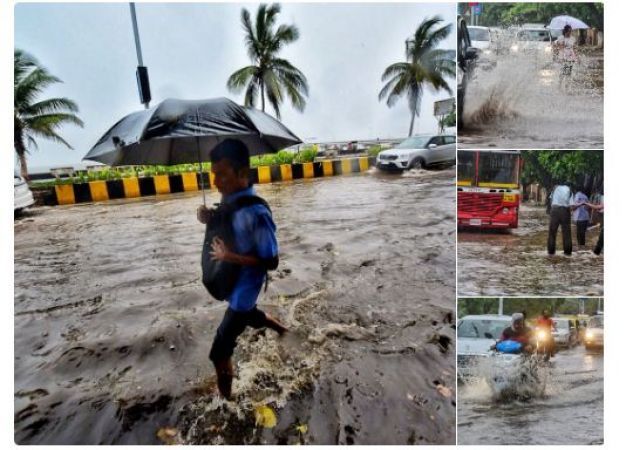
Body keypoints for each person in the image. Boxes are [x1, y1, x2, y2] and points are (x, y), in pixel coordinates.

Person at [197, 139, 288, 400]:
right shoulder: (230, 203)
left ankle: (228, 404)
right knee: (250, 316)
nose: (216, 182)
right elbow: (229, 229)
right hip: (235, 284)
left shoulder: (257, 213)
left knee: (219, 353)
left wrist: (230, 257)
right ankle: (284, 331)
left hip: (243, 290)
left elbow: (271, 261)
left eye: (223, 175)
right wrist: (208, 218)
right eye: (214, 175)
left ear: (243, 174)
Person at [547, 182, 574, 256]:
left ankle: (551, 252)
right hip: (565, 211)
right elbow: (571, 206)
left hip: (554, 210)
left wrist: (551, 211)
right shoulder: (570, 190)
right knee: (567, 233)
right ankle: (568, 252)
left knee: (552, 233)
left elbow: (550, 200)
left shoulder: (555, 188)